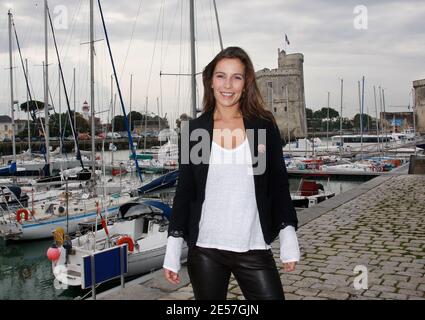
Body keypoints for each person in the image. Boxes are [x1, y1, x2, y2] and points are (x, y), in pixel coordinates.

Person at [163, 46, 300, 300]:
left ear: (246, 84)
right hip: (205, 249)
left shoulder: (261, 126)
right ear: (211, 81)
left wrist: (288, 235)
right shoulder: (196, 132)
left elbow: (277, 185)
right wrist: (173, 248)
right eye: (221, 76)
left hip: (253, 246)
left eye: (236, 77)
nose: (228, 84)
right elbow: (186, 192)